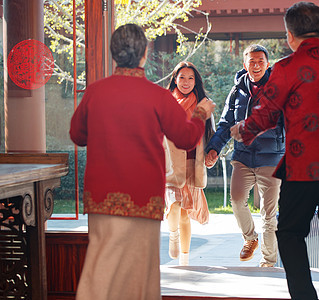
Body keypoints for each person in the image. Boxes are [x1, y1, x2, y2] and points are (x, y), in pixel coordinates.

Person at [70, 24, 215, 300]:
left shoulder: (95, 92)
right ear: (144, 55)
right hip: (143, 196)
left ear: (114, 54)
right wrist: (200, 113)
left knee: (100, 261)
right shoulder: (158, 97)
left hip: (101, 196)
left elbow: (77, 135)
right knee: (142, 269)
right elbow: (186, 138)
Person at [230, 2, 319, 299]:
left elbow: (266, 115)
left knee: (290, 234)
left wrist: (243, 130)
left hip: (303, 167)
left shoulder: (285, 68)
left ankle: (305, 296)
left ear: (290, 34)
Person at [205, 44, 285, 267]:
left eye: (260, 61)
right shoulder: (237, 91)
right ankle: (250, 238)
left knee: (268, 215)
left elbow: (283, 125)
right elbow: (225, 124)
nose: (256, 65)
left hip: (271, 158)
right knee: (237, 200)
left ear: (267, 64)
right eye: (252, 61)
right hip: (243, 157)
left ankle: (268, 262)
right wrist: (213, 148)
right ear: (245, 65)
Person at [164, 61, 215, 266]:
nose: (186, 82)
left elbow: (210, 132)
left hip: (192, 163)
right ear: (175, 79)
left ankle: (184, 261)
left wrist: (212, 154)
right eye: (182, 77)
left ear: (196, 82)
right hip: (170, 165)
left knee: (185, 213)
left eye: (190, 78)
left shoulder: (204, 103)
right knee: (174, 205)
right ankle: (173, 235)